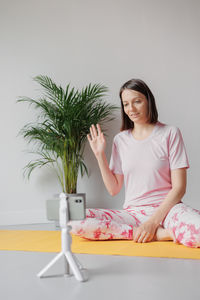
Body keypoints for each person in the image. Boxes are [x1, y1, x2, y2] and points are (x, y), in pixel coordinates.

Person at [70, 79, 200, 248]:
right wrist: (99, 154)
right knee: (73, 219)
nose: (131, 109)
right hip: (134, 214)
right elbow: (114, 189)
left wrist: (153, 222)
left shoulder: (170, 133)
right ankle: (157, 235)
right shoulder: (120, 140)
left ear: (148, 101)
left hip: (168, 211)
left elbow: (179, 188)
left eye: (137, 101)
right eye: (126, 104)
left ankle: (151, 230)